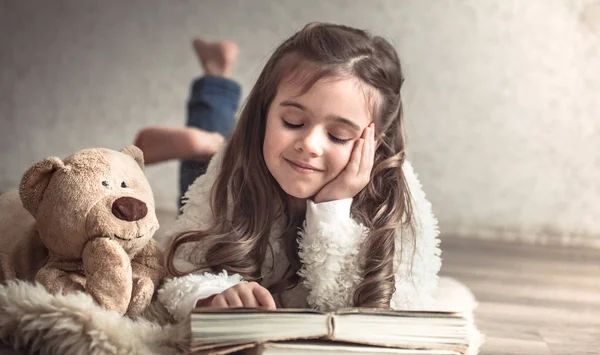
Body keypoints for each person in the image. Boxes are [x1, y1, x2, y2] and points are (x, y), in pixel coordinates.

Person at [146, 23, 441, 323]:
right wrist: (210, 298)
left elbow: (383, 312)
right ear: (264, 114)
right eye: (292, 121)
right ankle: (211, 121)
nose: (310, 145)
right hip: (236, 162)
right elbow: (179, 269)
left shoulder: (398, 199)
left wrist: (333, 210)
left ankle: (211, 107)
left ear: (374, 144)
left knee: (210, 154)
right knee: (198, 180)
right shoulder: (233, 166)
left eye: (338, 136)